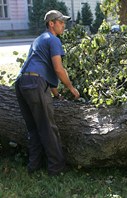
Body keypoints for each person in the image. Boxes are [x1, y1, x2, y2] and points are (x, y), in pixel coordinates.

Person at [15, 10, 80, 176]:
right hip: (35, 84)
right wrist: (71, 88)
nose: (64, 25)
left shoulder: (39, 40)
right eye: (61, 22)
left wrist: (57, 94)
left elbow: (45, 73)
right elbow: (58, 69)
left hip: (22, 83)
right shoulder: (53, 39)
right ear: (52, 23)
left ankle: (33, 166)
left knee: (34, 128)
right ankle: (56, 169)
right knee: (48, 128)